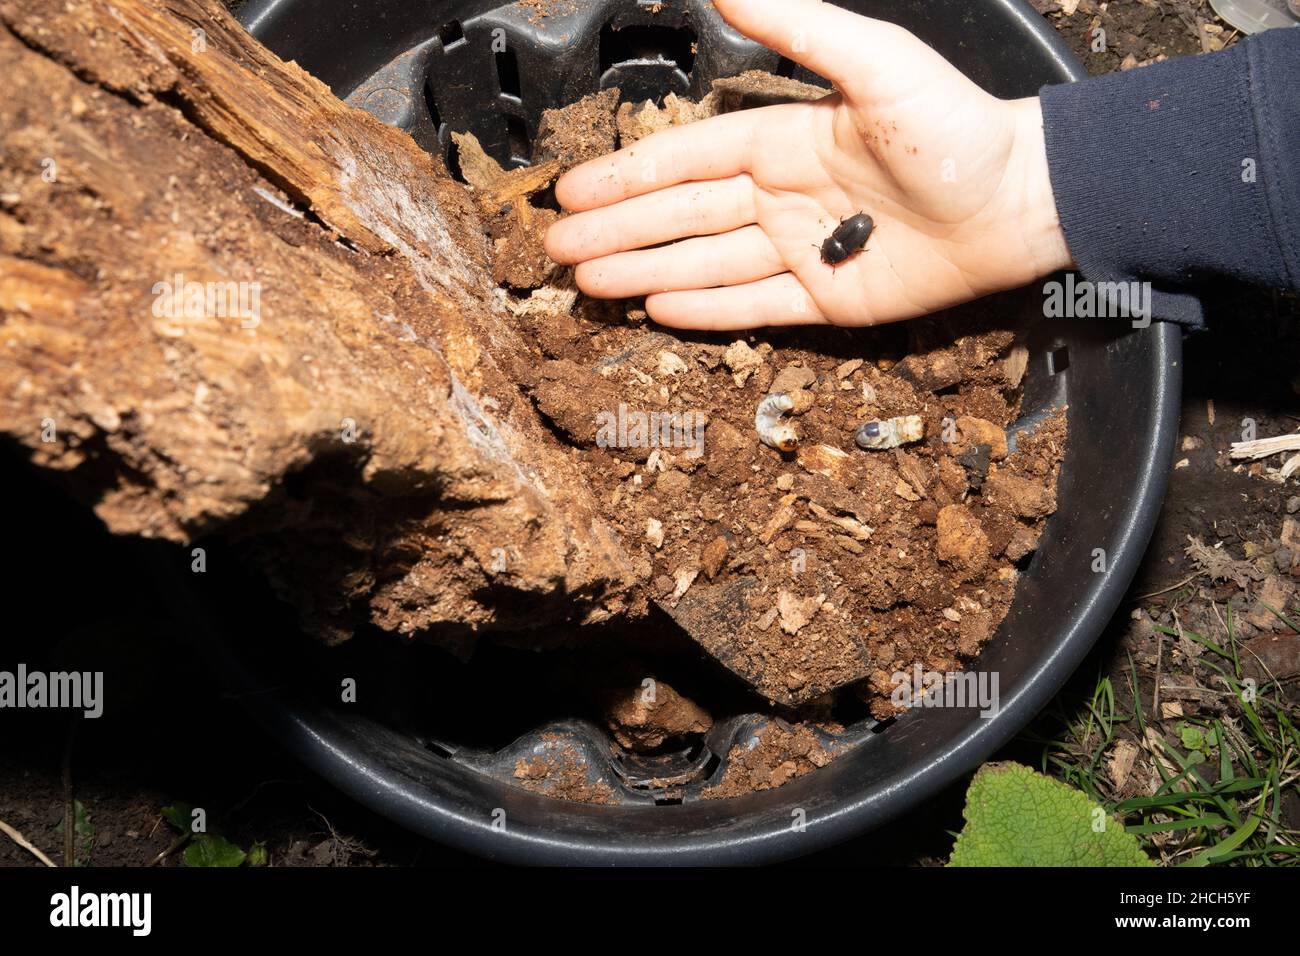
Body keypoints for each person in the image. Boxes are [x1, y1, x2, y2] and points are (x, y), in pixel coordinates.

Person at [543, 0, 1299, 332]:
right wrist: (1032, 178)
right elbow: (845, 236)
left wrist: (1024, 180)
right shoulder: (843, 236)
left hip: (857, 229)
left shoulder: (845, 236)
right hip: (857, 230)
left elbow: (846, 236)